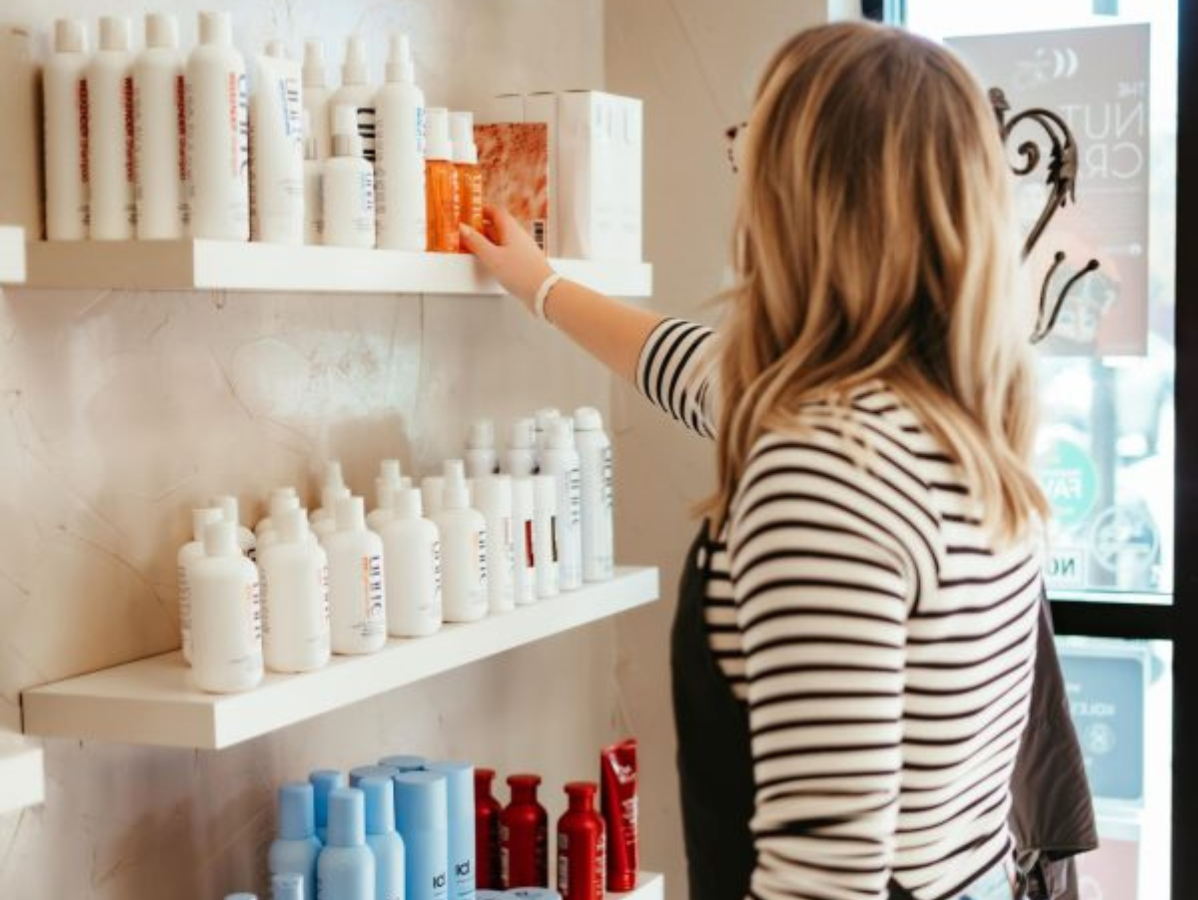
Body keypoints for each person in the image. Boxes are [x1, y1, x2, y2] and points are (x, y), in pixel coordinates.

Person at [463, 21, 1049, 900]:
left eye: (749, 147)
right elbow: (696, 368)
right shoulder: (945, 425)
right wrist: (542, 285)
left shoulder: (826, 473)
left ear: (800, 195)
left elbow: (826, 881)